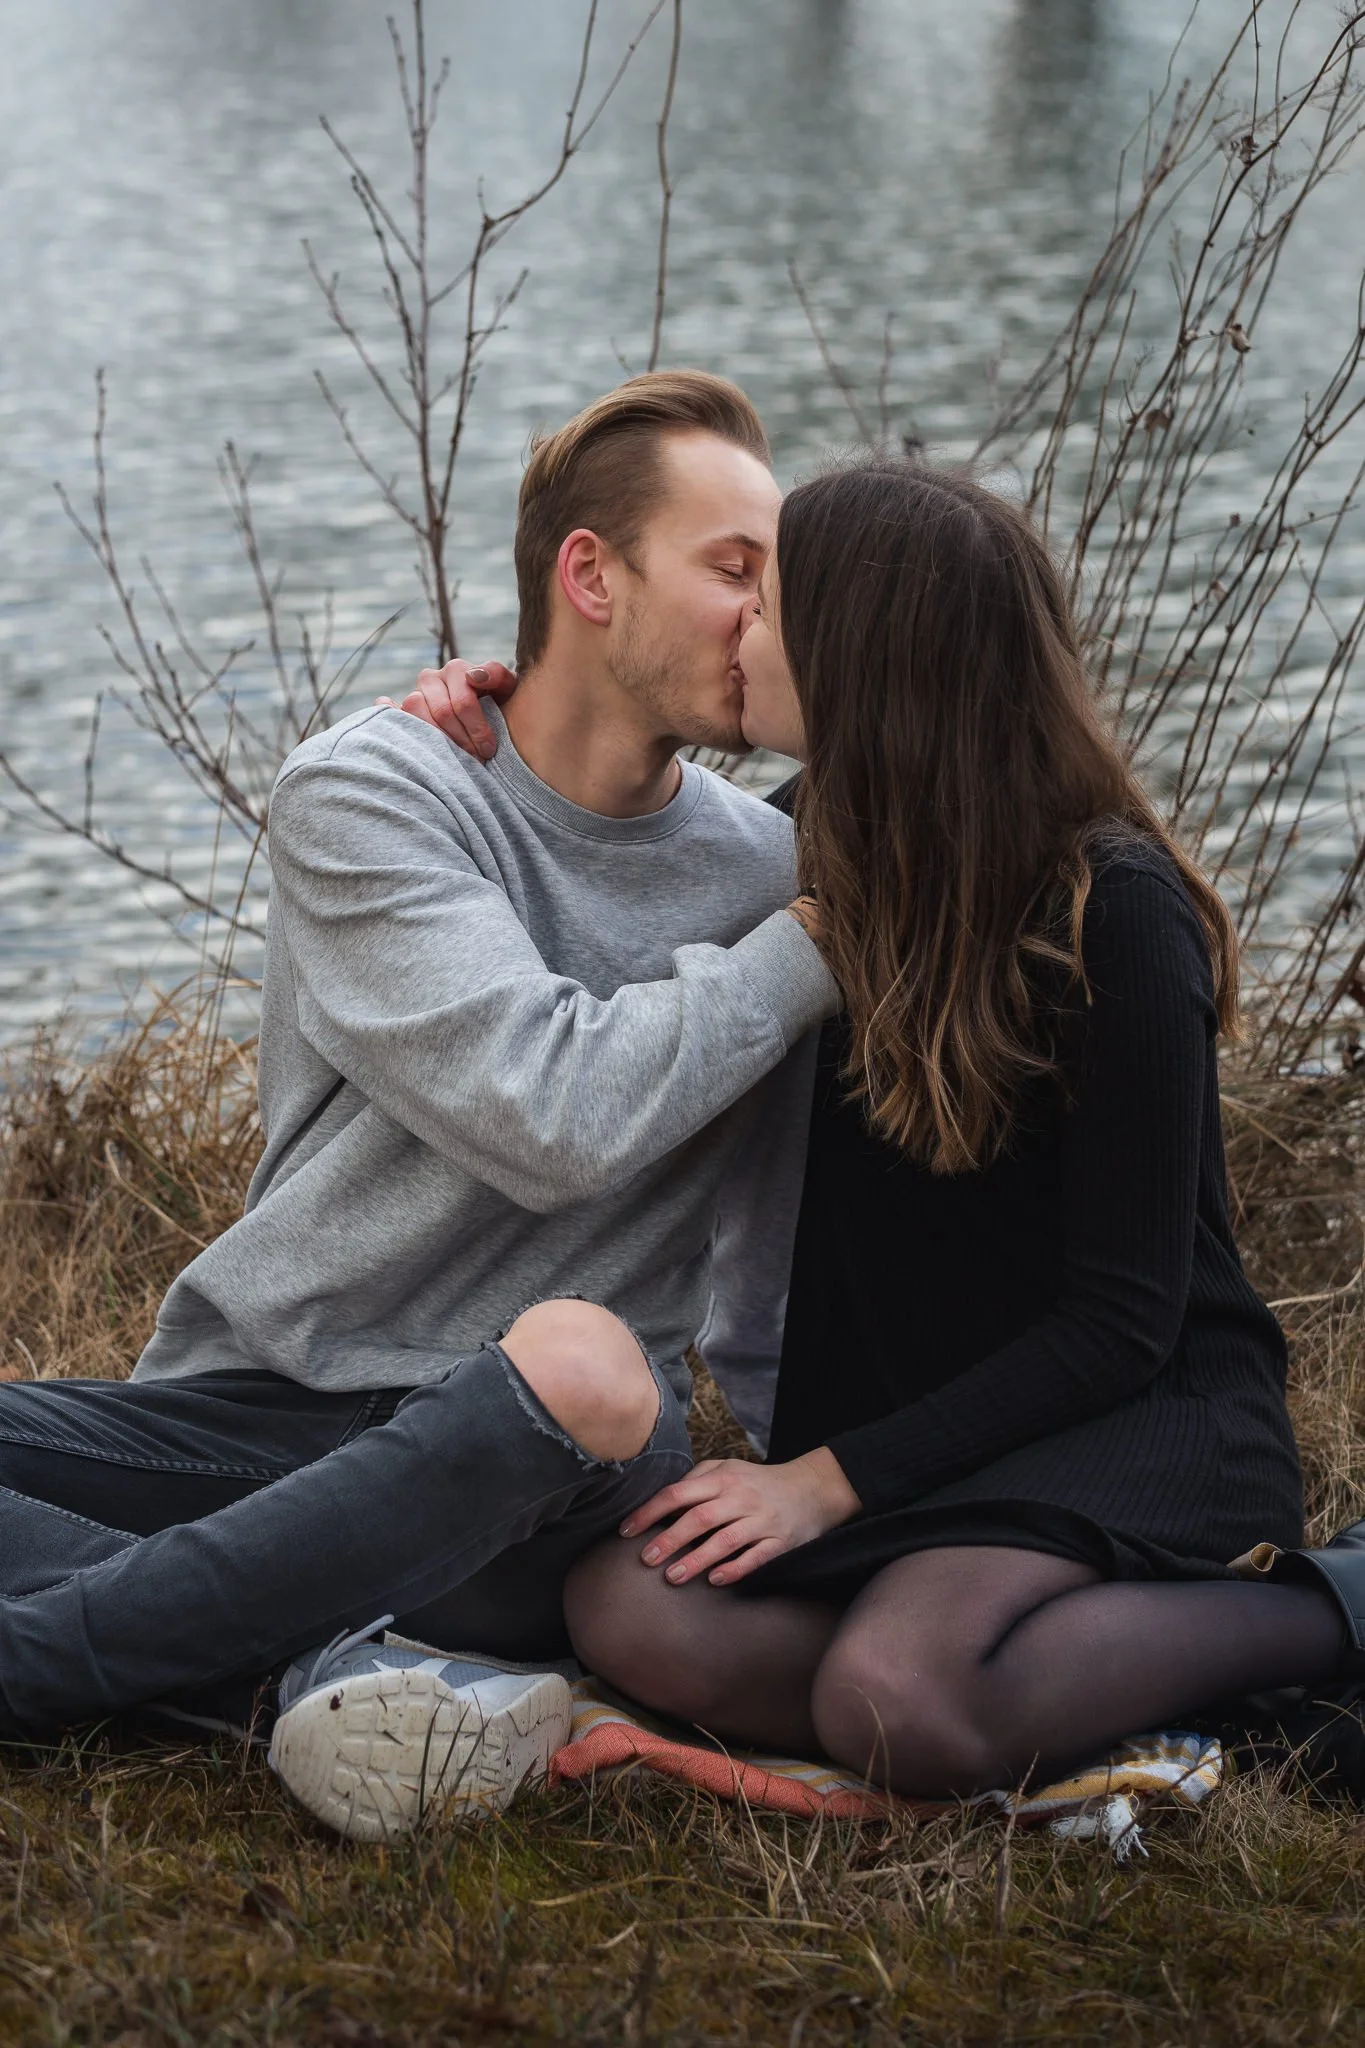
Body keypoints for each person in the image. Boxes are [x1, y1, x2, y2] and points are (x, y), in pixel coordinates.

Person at [425, 455, 1365, 1802]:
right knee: (630, 1611)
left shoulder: (1114, 909)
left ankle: (1329, 1609)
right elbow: (591, 856)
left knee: (898, 1697)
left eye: (769, 600)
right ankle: (1068, 1687)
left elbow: (1123, 1324)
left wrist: (826, 1483)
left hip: (1133, 1428)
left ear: (867, 659)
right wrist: (474, 729)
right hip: (918, 1452)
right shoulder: (803, 859)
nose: (737, 624)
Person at [0, 370, 838, 1841]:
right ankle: (301, 1673)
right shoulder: (378, 792)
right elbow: (545, 1105)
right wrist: (808, 951)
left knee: (577, 1357)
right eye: (732, 572)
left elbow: (725, 1224)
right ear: (590, 575)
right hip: (264, 1412)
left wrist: (802, 1479)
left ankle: (54, 1665)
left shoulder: (777, 883)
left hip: (549, 1463)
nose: (767, 619)